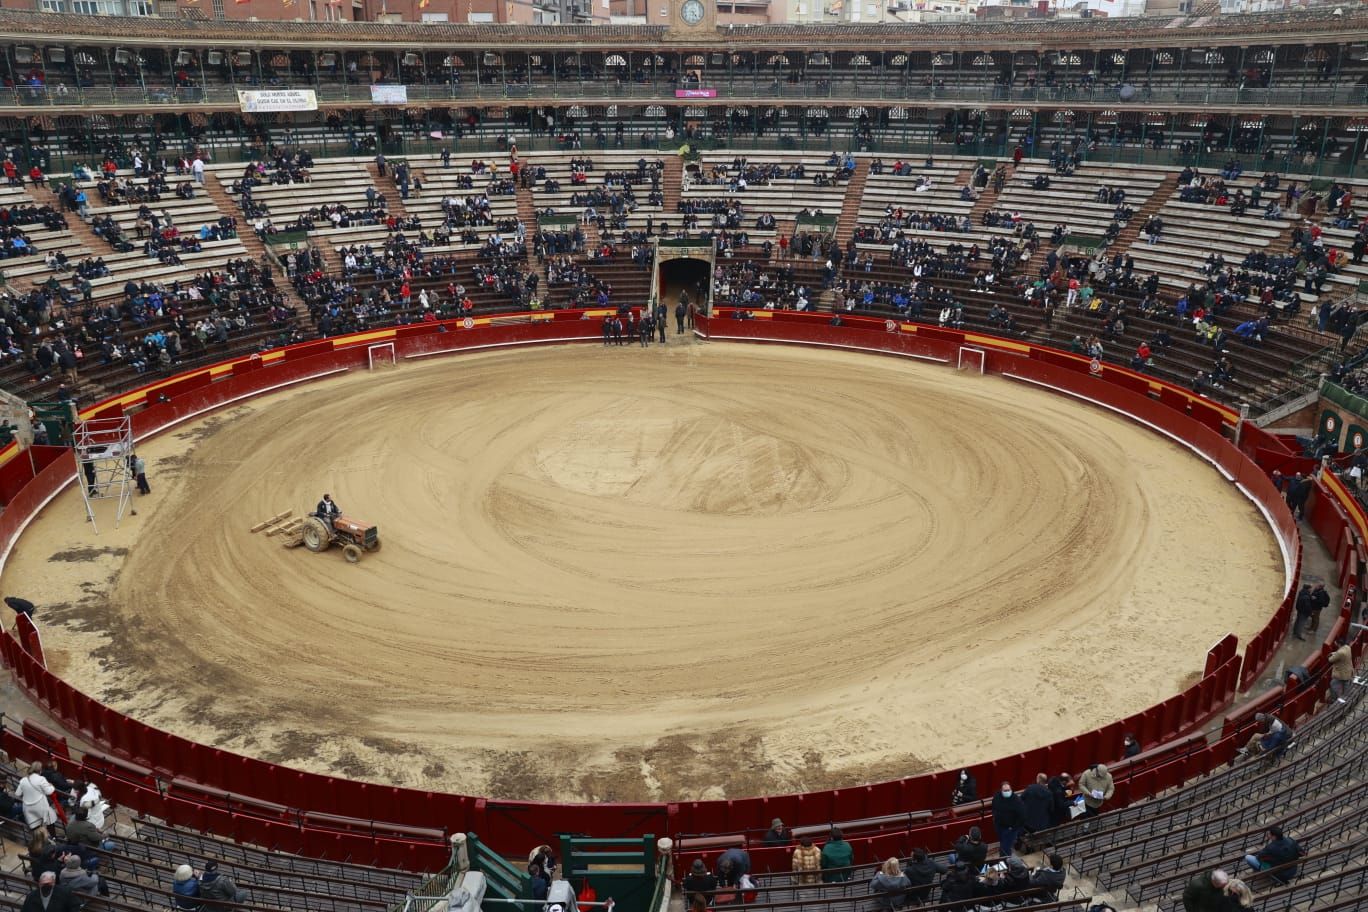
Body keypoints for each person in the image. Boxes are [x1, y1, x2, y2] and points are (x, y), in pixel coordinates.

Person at [12, 762, 56, 839]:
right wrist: (52, 786)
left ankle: (39, 841)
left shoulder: (23, 780)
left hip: (28, 808)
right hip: (41, 805)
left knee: (35, 827)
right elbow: (49, 791)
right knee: (50, 821)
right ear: (40, 770)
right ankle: (54, 838)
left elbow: (17, 794)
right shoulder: (41, 779)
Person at [991, 781, 1026, 858]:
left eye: (1008, 790)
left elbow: (1022, 816)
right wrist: (995, 817)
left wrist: (1013, 827)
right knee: (1002, 843)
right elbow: (993, 807)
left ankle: (1005, 862)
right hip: (999, 826)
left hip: (1010, 829)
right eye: (1005, 790)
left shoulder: (1017, 800)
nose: (1007, 792)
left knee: (1005, 848)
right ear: (1001, 790)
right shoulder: (997, 797)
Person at [1021, 773, 1054, 842]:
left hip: (1028, 822)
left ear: (1038, 780)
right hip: (1042, 824)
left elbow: (1021, 799)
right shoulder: (1049, 793)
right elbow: (1051, 808)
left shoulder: (1030, 788)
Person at [1328, 638, 1355, 703]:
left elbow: (1330, 660)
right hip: (1348, 670)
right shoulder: (1347, 647)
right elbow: (1339, 653)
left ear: (1339, 644)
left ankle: (1334, 699)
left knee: (1333, 684)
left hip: (1341, 673)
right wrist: (1334, 653)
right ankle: (1346, 699)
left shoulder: (1340, 653)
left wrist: (1331, 655)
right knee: (1346, 686)